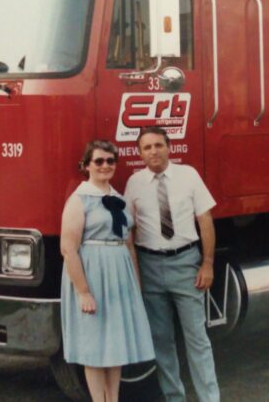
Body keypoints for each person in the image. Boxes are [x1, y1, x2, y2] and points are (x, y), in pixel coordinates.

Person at [124, 127, 220, 402]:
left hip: (186, 264)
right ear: (140, 153)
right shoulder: (134, 183)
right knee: (161, 341)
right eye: (147, 147)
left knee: (197, 338)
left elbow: (205, 221)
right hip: (150, 266)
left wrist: (207, 264)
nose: (153, 151)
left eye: (158, 145)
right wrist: (136, 275)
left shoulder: (188, 175)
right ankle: (174, 398)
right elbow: (129, 231)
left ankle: (209, 398)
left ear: (169, 147)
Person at [60, 140, 155, 402]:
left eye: (110, 161)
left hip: (119, 276)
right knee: (94, 347)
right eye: (99, 161)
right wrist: (83, 292)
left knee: (116, 346)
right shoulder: (79, 200)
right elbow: (68, 249)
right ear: (86, 165)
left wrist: (135, 285)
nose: (105, 166)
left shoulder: (119, 199)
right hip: (93, 275)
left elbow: (129, 246)